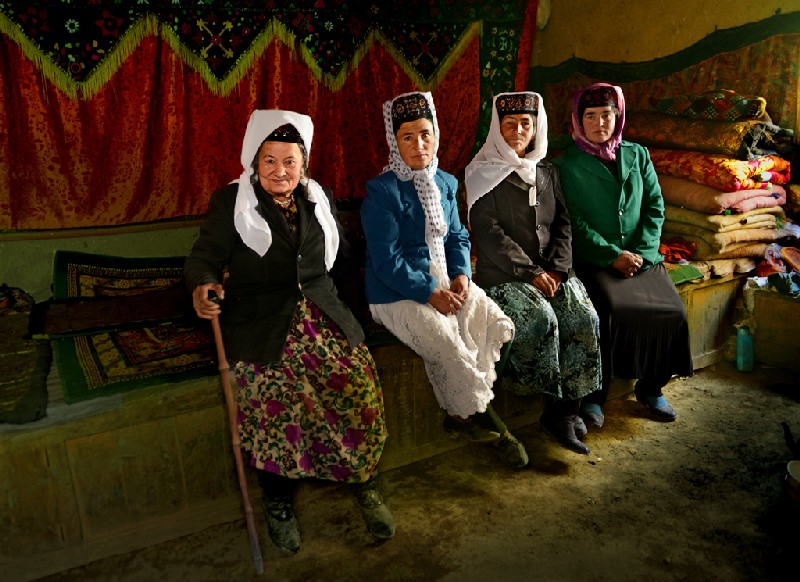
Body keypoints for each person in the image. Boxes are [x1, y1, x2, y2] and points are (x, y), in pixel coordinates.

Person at [184, 110, 394, 555]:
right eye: (270, 160)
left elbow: (342, 261)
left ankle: (364, 482)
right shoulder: (232, 201)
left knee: (356, 383)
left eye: (290, 161)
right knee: (273, 395)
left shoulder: (319, 198)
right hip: (261, 320)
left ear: (304, 163)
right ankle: (278, 502)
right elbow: (204, 255)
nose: (280, 171)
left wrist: (359, 318)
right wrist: (204, 283)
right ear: (254, 161)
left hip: (322, 312)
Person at [360, 91, 527, 469]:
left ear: (436, 135)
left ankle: (463, 411)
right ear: (394, 142)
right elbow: (386, 261)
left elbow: (457, 238)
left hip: (445, 279)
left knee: (493, 321)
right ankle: (478, 421)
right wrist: (429, 293)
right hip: (395, 291)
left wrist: (462, 275)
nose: (418, 145)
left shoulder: (446, 183)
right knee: (448, 342)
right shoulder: (382, 192)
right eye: (407, 137)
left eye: (425, 134)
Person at [466, 91, 602, 455]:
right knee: (542, 319)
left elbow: (563, 223)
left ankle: (566, 412)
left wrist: (557, 269)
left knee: (582, 316)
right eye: (509, 123)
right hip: (505, 274)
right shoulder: (481, 173)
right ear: (496, 128)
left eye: (525, 123)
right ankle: (549, 407)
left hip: (550, 271)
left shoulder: (547, 170)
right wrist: (531, 272)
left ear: (536, 127)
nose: (517, 131)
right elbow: (489, 233)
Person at [554, 83, 694, 428]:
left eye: (607, 114)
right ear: (577, 121)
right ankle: (595, 396)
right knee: (609, 311)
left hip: (642, 257)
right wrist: (613, 255)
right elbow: (573, 221)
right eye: (590, 116)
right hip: (596, 259)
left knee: (672, 311)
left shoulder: (637, 154)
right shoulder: (564, 164)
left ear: (618, 116)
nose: (599, 123)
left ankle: (651, 387)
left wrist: (643, 253)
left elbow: (654, 206)